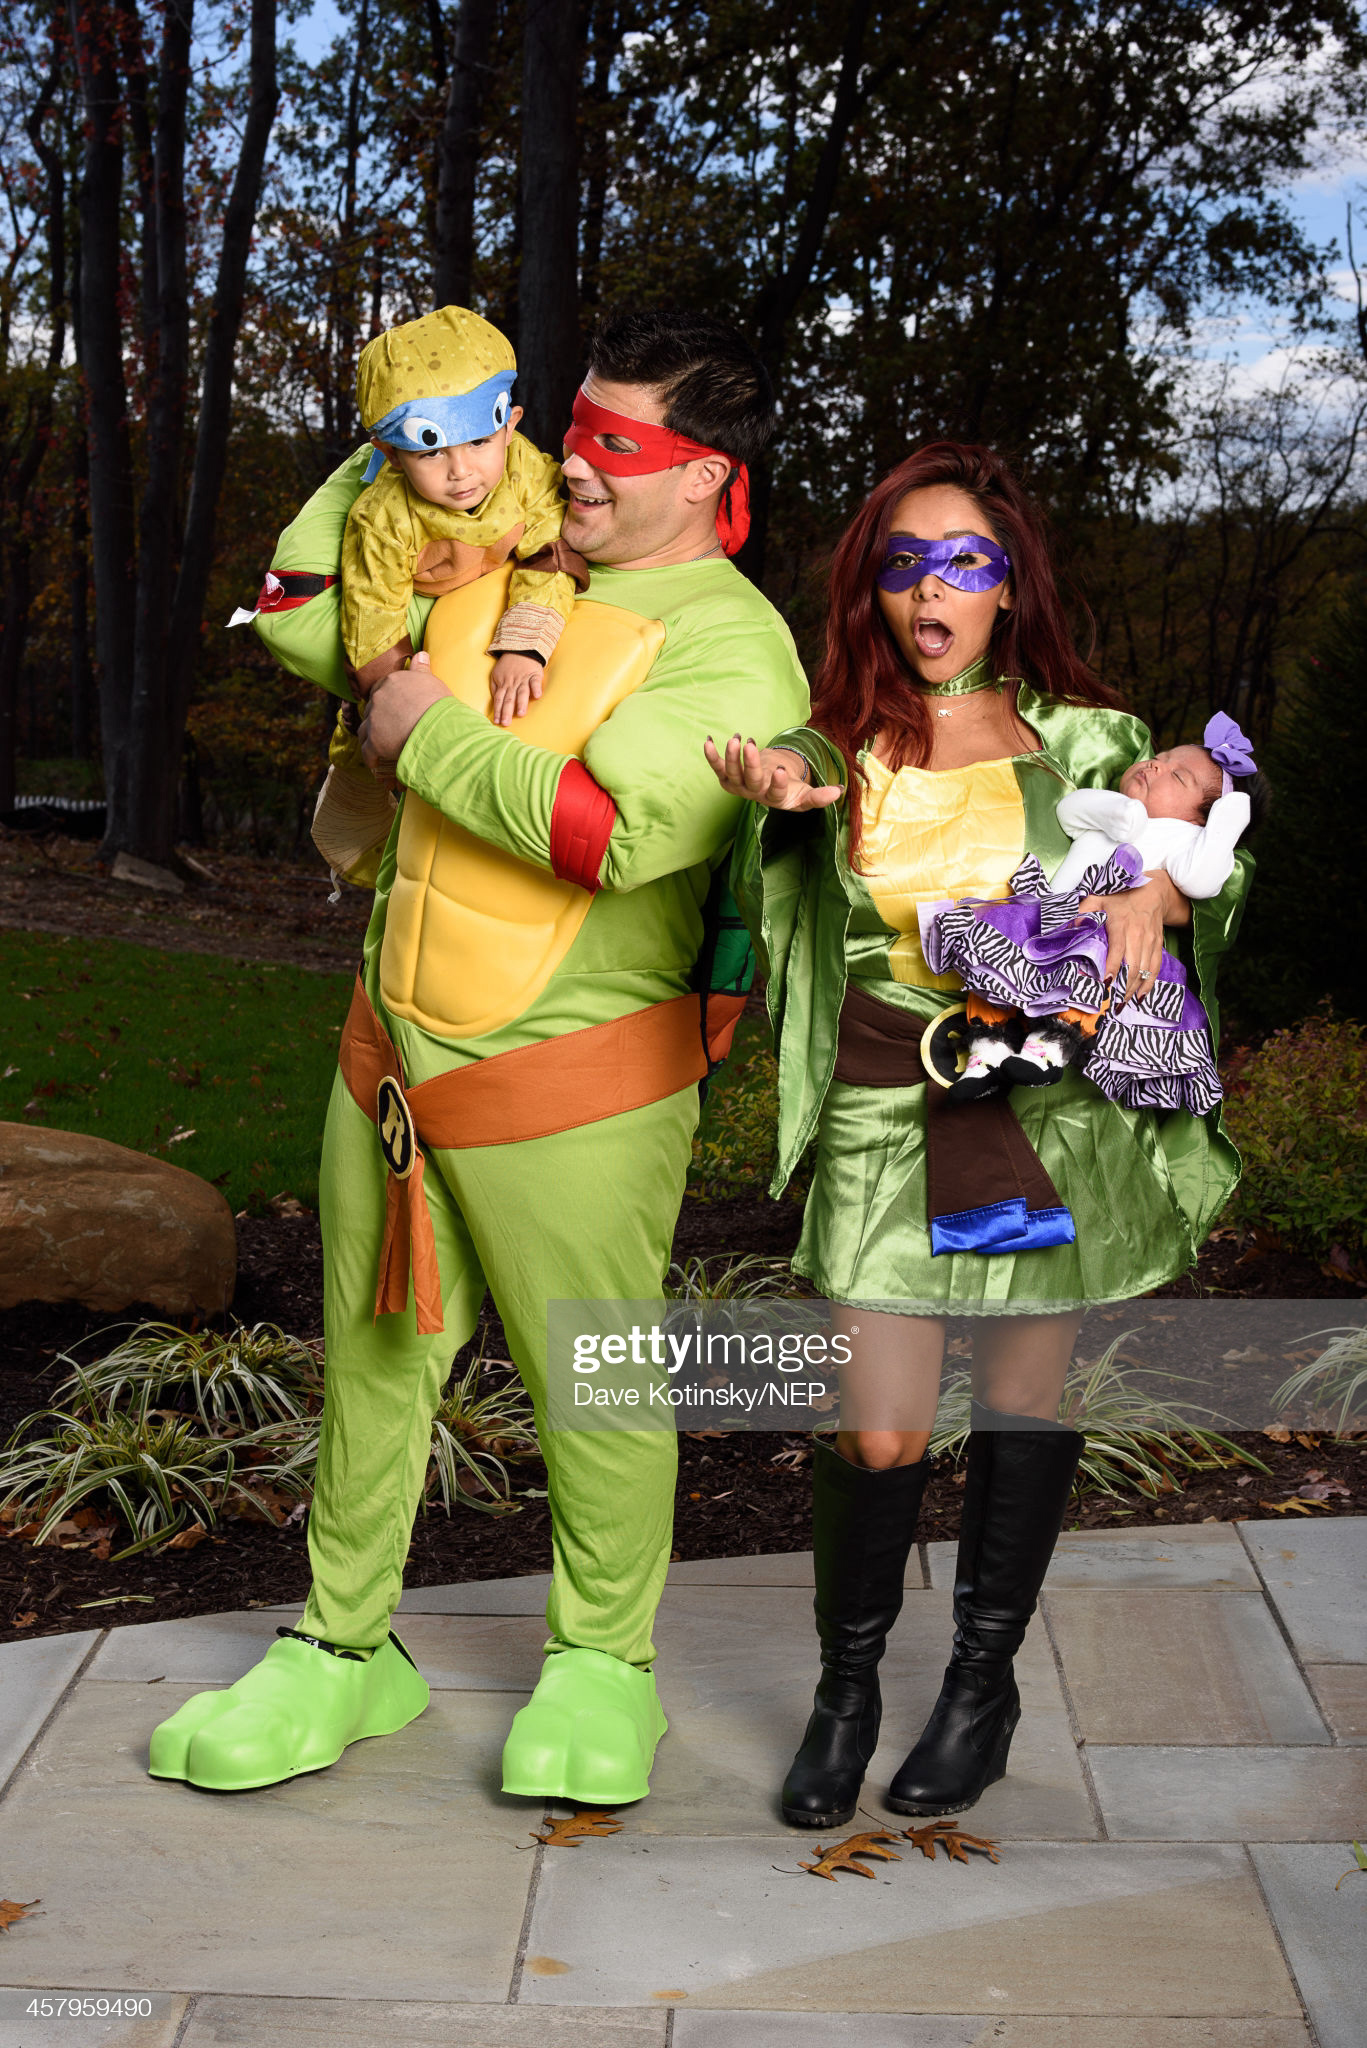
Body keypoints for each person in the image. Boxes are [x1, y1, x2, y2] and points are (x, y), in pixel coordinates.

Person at [150, 309, 808, 1804]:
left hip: (572, 1082)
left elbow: (612, 833)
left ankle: (603, 1664)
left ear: (707, 478)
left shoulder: (728, 640)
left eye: (618, 445)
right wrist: (410, 429)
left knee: (596, 1373)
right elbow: (296, 607)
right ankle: (338, 1646)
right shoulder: (490, 560)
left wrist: (414, 726)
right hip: (387, 1059)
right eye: (566, 425)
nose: (571, 463)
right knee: (372, 1367)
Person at [707, 443, 1252, 1828]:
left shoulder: (1082, 741)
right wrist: (770, 793)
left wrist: (1148, 901)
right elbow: (781, 813)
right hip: (888, 1117)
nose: (929, 585)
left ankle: (979, 1685)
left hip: (1042, 1118)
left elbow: (1190, 869)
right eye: (902, 563)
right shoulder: (836, 742)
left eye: (960, 559)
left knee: (1020, 1406)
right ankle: (845, 1692)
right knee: (879, 1436)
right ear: (871, 592)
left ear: (1006, 587)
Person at [928, 712, 1260, 1109]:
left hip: (1098, 935)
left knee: (1089, 980)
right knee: (995, 969)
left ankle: (1046, 1051)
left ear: (1202, 818)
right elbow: (1070, 811)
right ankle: (986, 1055)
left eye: (1178, 777)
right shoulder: (1114, 810)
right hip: (1047, 915)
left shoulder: (1186, 838)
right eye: (1164, 756)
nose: (1158, 764)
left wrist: (1229, 818)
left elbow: (1203, 880)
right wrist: (1120, 813)